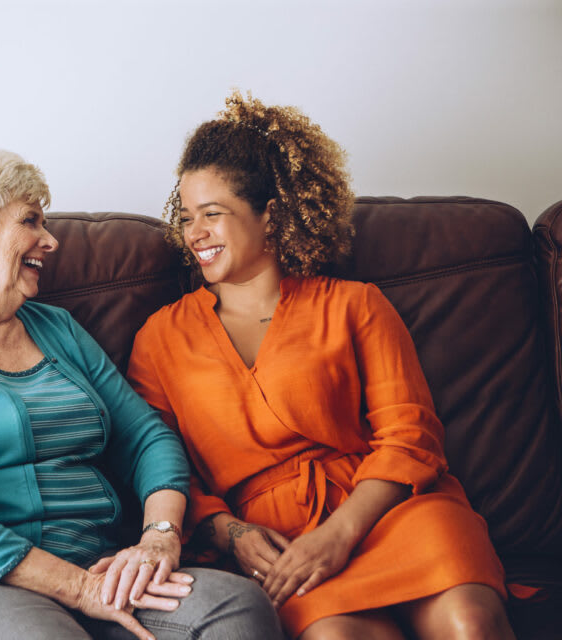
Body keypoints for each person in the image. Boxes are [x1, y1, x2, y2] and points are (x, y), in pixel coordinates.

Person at [126, 92, 516, 640]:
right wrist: (231, 532)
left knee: (469, 623)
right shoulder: (160, 338)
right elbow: (163, 466)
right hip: (279, 544)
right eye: (187, 217)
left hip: (385, 514)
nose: (194, 233)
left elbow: (411, 437)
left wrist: (339, 534)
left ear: (271, 215)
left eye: (213, 215)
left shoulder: (355, 304)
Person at [0, 147, 283, 640]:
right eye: (30, 221)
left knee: (235, 609)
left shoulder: (56, 328)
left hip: (93, 565)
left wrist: (158, 538)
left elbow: (146, 438)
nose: (49, 240)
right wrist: (77, 588)